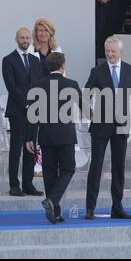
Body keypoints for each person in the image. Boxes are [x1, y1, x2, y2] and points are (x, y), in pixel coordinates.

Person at [84, 36, 131, 220]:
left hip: (122, 125)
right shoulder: (97, 71)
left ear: (120, 52)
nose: (110, 54)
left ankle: (117, 207)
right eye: (107, 51)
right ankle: (90, 208)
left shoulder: (130, 71)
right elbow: (86, 95)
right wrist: (90, 113)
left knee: (119, 167)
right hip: (100, 126)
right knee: (96, 166)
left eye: (113, 51)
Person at [26, 52, 85, 224]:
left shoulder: (37, 85)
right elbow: (85, 109)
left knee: (49, 172)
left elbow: (32, 114)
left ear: (47, 66)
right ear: (63, 66)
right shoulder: (71, 84)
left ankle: (55, 212)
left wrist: (30, 137)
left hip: (45, 135)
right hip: (66, 134)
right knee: (68, 169)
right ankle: (52, 201)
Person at [2, 27, 44, 196]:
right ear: (16, 39)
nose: (25, 40)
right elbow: (11, 86)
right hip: (18, 111)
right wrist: (26, 103)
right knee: (16, 148)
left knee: (31, 147)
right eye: (22, 38)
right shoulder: (8, 60)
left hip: (34, 112)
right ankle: (14, 185)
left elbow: (39, 84)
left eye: (27, 38)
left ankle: (28, 183)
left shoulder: (35, 61)